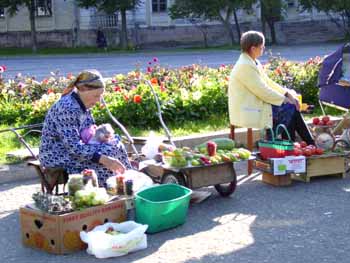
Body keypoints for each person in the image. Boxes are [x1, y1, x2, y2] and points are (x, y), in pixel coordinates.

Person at [39, 69, 132, 187]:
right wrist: (104, 159)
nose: (98, 100)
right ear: (83, 90)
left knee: (115, 143)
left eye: (100, 96)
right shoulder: (68, 108)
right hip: (57, 153)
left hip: (76, 148)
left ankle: (127, 181)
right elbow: (73, 147)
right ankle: (107, 191)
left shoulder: (83, 104)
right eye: (96, 96)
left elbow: (89, 133)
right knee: (105, 156)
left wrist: (102, 135)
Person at [228, 30, 314, 144]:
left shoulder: (252, 61)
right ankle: (297, 145)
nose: (263, 49)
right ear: (253, 48)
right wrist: (285, 99)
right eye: (262, 47)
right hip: (247, 109)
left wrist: (287, 94)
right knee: (290, 108)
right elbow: (262, 90)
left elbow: (268, 82)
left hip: (256, 103)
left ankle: (294, 146)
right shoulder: (245, 65)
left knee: (291, 107)